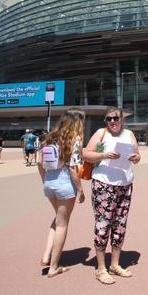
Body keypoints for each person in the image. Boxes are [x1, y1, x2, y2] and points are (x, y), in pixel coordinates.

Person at [83, 107, 141, 285]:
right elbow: (85, 153)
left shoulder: (129, 134)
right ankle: (101, 268)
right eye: (109, 119)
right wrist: (104, 154)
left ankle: (115, 265)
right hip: (103, 185)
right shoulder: (101, 133)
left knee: (120, 225)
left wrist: (135, 157)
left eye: (116, 118)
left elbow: (138, 155)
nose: (112, 121)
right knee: (103, 224)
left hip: (125, 185)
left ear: (122, 119)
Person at [38, 108, 86, 278]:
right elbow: (73, 168)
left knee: (57, 220)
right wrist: (80, 190)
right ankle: (53, 266)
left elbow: (39, 162)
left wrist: (45, 180)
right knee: (62, 224)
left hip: (49, 183)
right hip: (65, 184)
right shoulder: (75, 139)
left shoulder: (50, 137)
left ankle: (46, 255)